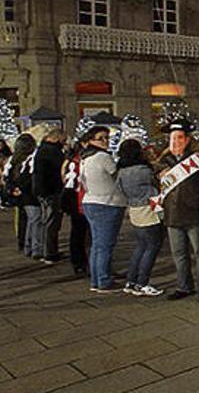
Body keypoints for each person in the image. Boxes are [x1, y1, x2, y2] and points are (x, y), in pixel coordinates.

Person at [157, 118, 199, 301]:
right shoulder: (163, 161)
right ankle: (184, 286)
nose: (175, 142)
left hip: (193, 214)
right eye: (172, 139)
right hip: (172, 215)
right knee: (179, 254)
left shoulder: (198, 160)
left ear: (187, 139)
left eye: (178, 138)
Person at [80, 125, 128, 293]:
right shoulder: (102, 157)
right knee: (105, 245)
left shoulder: (85, 158)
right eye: (101, 138)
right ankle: (104, 280)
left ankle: (96, 279)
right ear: (91, 140)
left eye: (107, 137)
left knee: (97, 244)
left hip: (91, 201)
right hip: (107, 203)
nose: (106, 141)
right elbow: (118, 175)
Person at [116, 139, 165, 297]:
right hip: (149, 209)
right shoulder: (144, 170)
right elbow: (157, 183)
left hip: (134, 210)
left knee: (141, 246)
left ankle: (131, 281)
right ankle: (142, 283)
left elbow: (119, 189)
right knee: (152, 247)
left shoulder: (122, 171)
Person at [32, 128, 67, 264]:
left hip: (43, 190)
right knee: (51, 222)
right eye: (63, 140)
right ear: (57, 138)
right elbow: (61, 166)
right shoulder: (52, 151)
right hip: (50, 190)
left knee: (47, 221)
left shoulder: (42, 149)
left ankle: (45, 250)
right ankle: (50, 253)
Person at [5, 134, 38, 259]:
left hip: (18, 193)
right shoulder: (29, 160)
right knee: (31, 219)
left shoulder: (13, 160)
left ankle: (22, 241)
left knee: (22, 219)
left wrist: (13, 188)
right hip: (26, 193)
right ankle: (28, 244)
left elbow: (8, 176)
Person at [61, 137, 90, 275]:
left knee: (80, 232)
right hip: (77, 198)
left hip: (80, 198)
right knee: (79, 232)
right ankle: (79, 261)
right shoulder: (76, 161)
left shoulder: (72, 161)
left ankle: (81, 261)